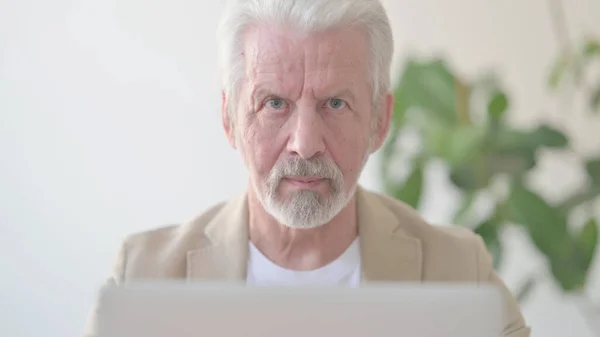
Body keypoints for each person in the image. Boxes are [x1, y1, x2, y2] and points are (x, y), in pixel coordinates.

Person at [83, 0, 530, 336]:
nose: (304, 144)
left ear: (380, 121)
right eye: (274, 103)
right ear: (229, 119)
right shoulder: (145, 275)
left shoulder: (458, 271)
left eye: (335, 103)